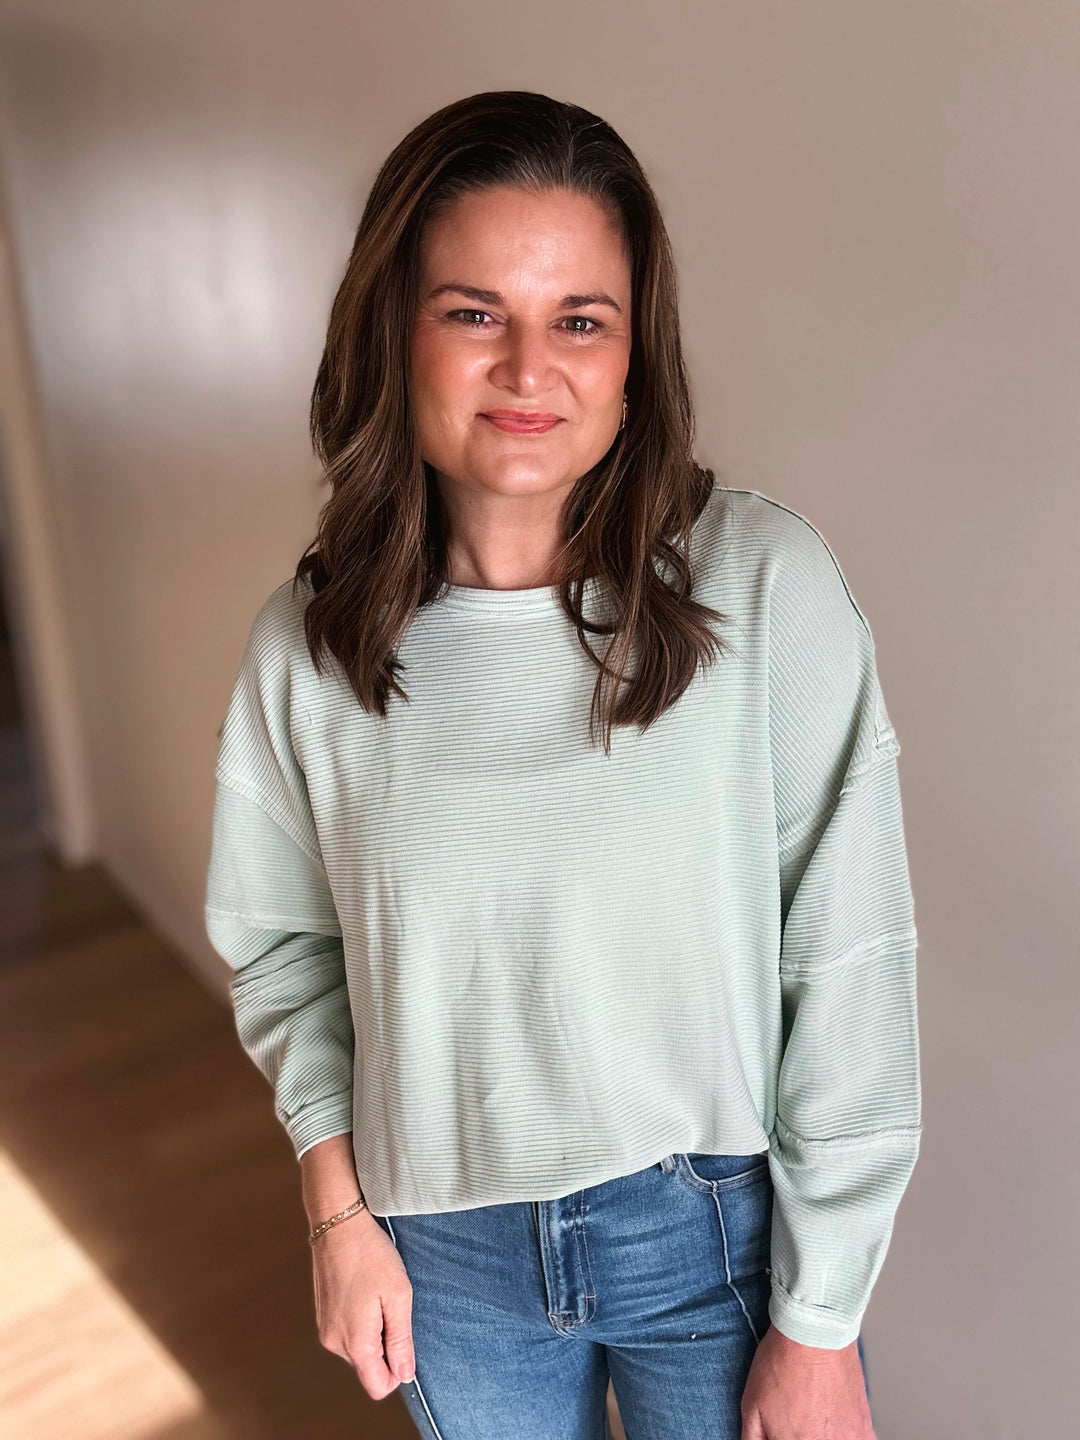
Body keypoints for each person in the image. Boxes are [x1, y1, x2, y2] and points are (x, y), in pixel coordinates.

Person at [203, 90, 921, 1440]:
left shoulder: (765, 591)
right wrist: (336, 1217)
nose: (529, 369)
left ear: (634, 355)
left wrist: (819, 1323)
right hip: (440, 1254)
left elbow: (851, 963)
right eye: (473, 312)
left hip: (713, 1244)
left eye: (579, 319)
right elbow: (287, 949)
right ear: (392, 336)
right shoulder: (311, 647)